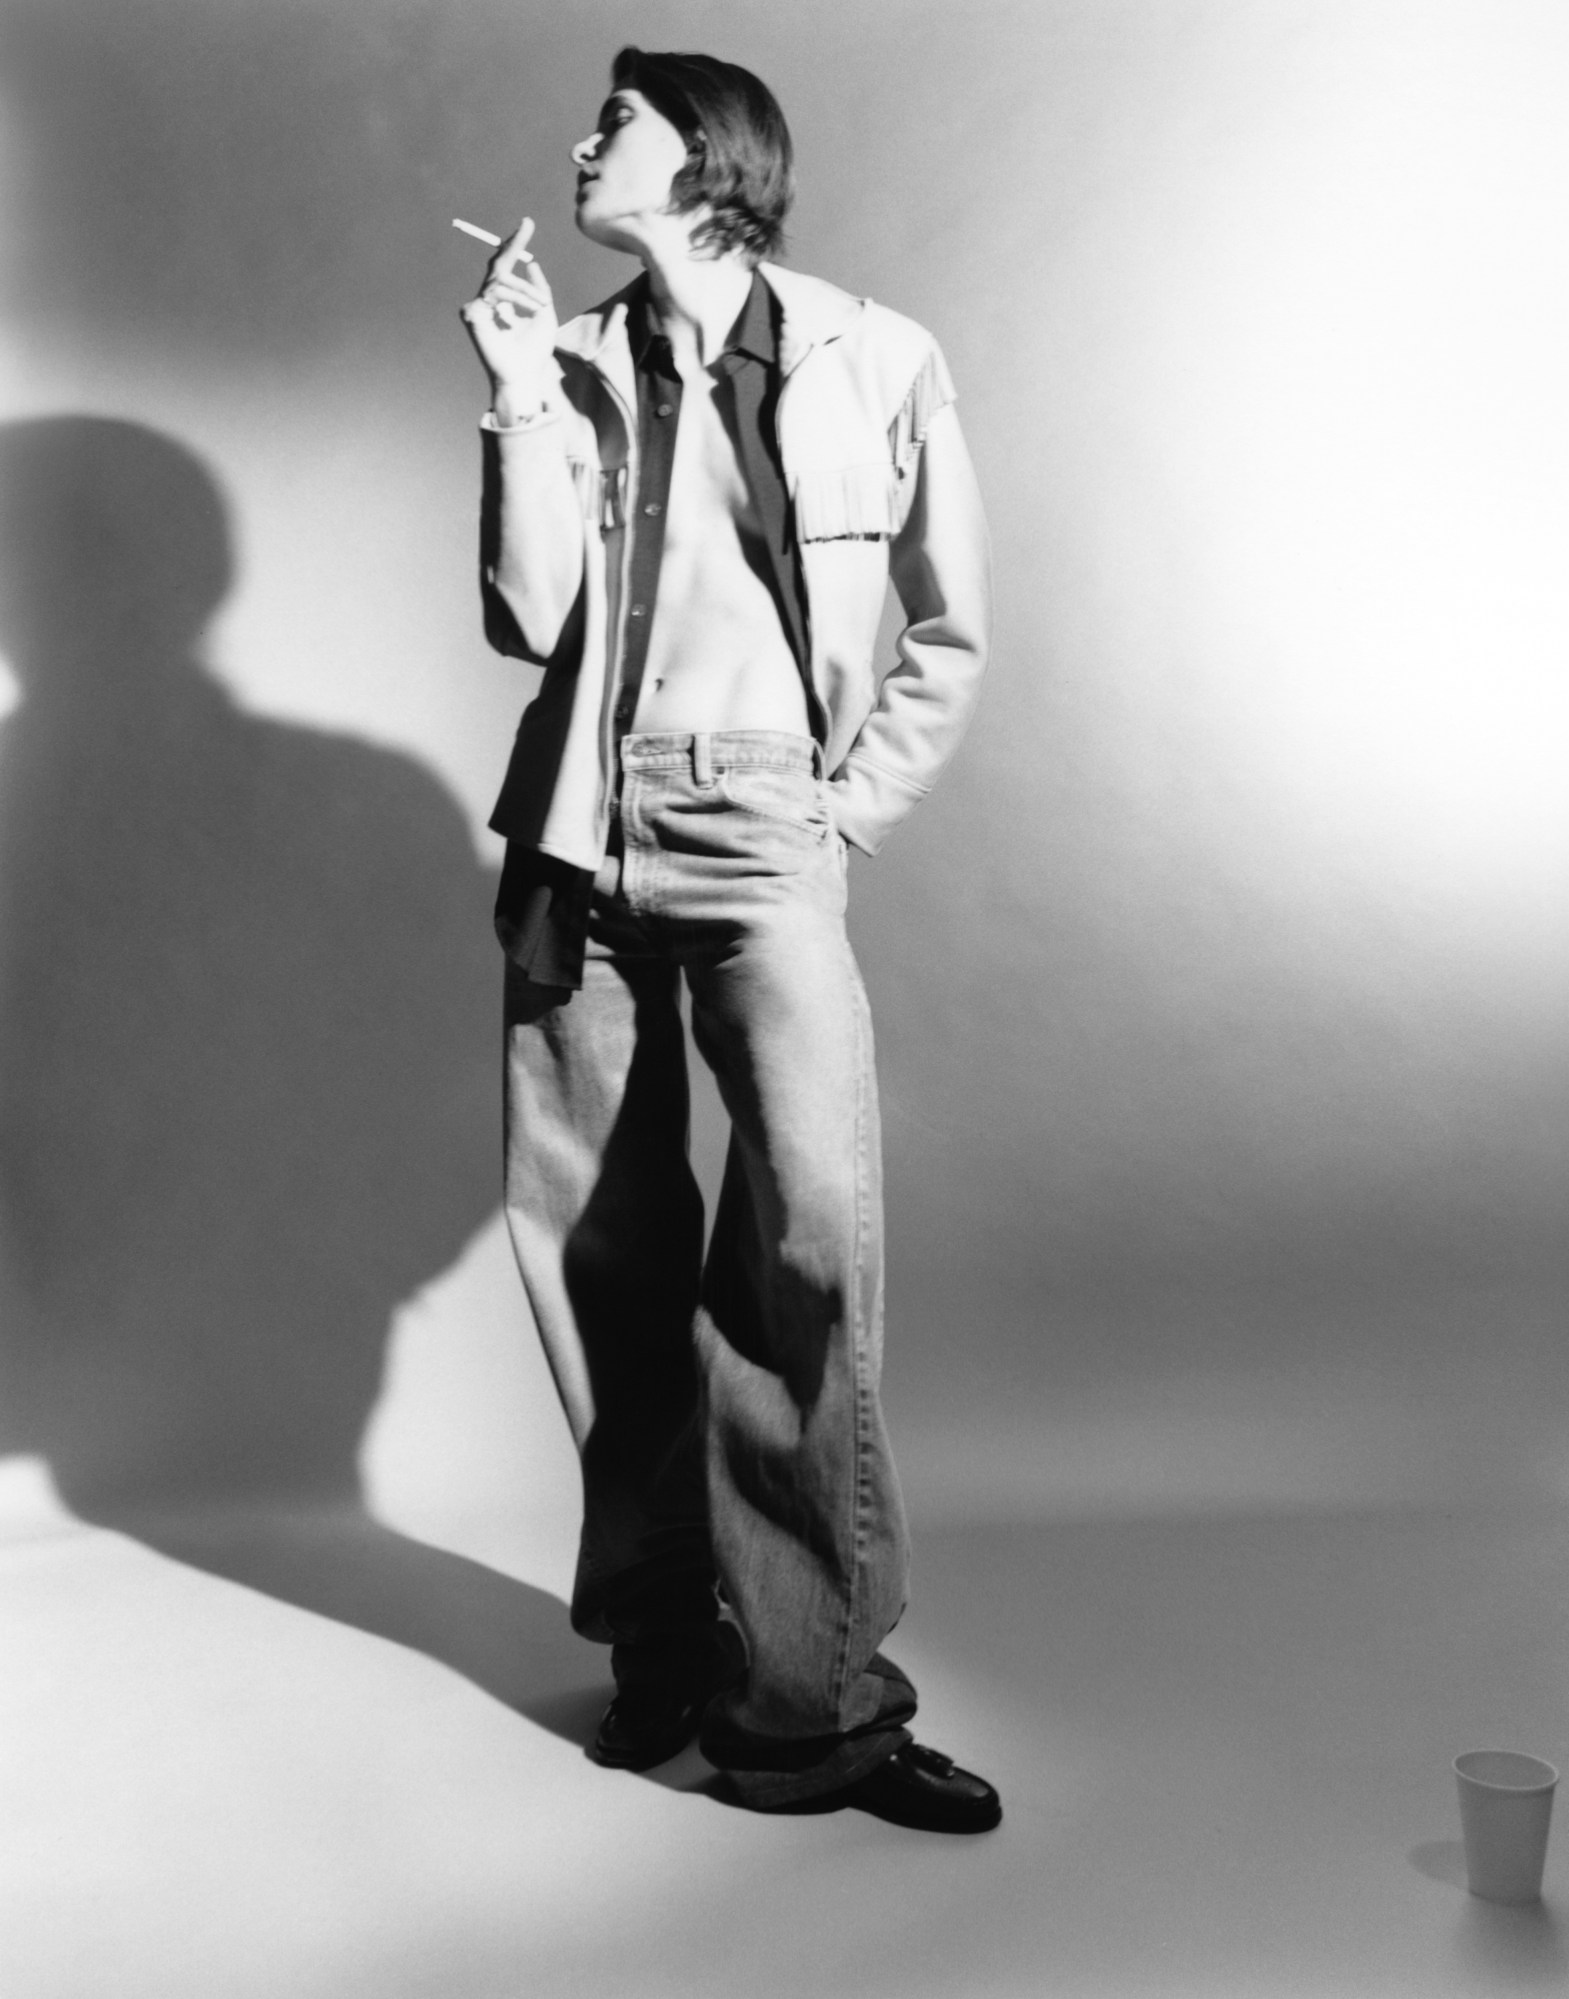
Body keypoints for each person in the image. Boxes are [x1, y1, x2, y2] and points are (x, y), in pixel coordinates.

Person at [460, 47, 996, 1833]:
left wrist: (838, 816)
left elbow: (950, 625)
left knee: (807, 1249)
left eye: (610, 124)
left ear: (709, 156)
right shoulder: (581, 360)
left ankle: (812, 1700)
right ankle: (664, 1648)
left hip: (767, 814)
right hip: (582, 824)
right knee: (603, 1263)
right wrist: (519, 395)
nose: (577, 144)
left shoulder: (875, 352)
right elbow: (529, 618)